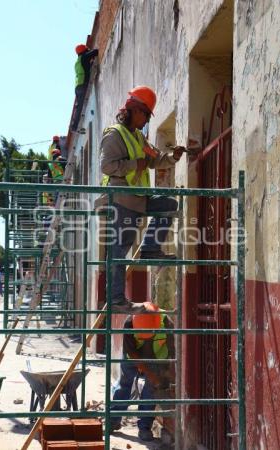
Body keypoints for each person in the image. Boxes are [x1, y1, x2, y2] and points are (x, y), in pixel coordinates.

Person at [98, 85, 185, 313]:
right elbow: (106, 166)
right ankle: (116, 299)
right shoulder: (114, 134)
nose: (147, 120)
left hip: (139, 197)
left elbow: (155, 159)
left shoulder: (138, 137)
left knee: (168, 204)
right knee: (118, 250)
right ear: (134, 109)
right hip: (123, 199)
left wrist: (172, 157)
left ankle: (149, 248)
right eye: (145, 114)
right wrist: (134, 164)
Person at [110, 302, 175, 442]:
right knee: (125, 384)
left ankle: (144, 427)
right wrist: (148, 372)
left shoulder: (166, 321)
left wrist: (164, 372)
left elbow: (172, 350)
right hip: (134, 355)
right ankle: (113, 419)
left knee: (151, 390)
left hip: (157, 356)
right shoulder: (129, 323)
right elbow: (131, 352)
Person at [72, 44, 99, 131]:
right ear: (84, 51)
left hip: (77, 86)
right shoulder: (85, 57)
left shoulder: (78, 61)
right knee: (80, 107)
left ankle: (74, 125)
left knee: (78, 106)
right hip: (83, 84)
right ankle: (75, 127)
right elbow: (95, 52)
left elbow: (85, 68)